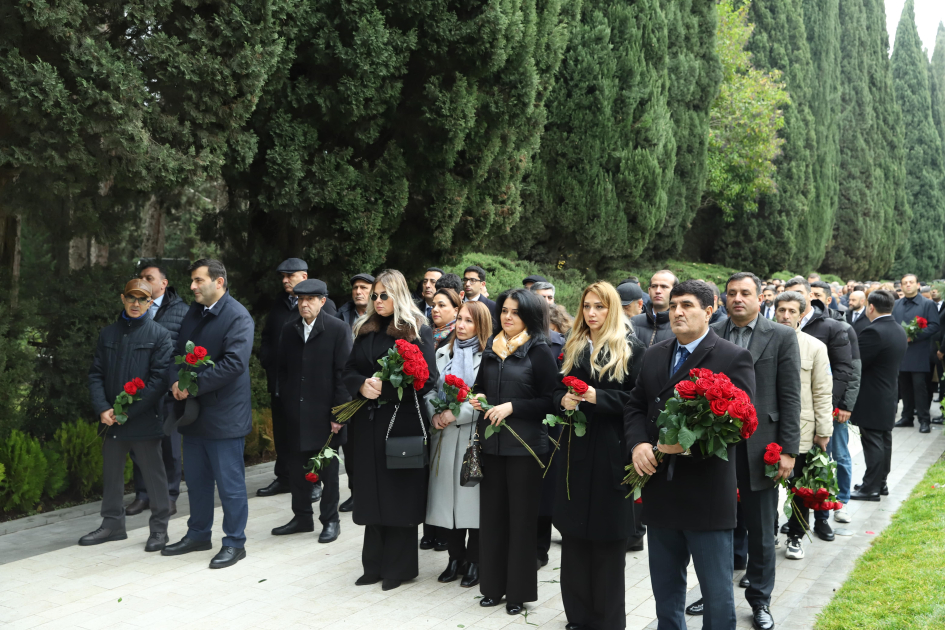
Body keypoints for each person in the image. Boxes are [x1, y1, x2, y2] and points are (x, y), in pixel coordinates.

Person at [625, 280, 755, 630]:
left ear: (710, 310)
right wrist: (638, 444)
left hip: (707, 492)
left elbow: (738, 424)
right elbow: (636, 405)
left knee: (716, 595)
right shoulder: (655, 353)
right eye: (673, 305)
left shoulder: (731, 356)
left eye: (687, 305)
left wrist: (683, 444)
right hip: (660, 491)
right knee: (666, 592)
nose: (678, 312)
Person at [690, 273, 799, 630]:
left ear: (759, 297)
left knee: (762, 530)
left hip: (761, 448)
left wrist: (788, 451)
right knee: (714, 525)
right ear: (723, 298)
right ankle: (715, 593)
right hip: (715, 448)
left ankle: (760, 600)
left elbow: (790, 397)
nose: (738, 298)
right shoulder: (711, 331)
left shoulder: (781, 336)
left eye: (745, 293)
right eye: (732, 293)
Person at [553, 282, 645, 630]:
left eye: (600, 307)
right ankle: (577, 618)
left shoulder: (631, 349)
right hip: (575, 455)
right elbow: (553, 389)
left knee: (607, 545)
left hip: (612, 454)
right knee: (574, 540)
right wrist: (560, 401)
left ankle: (606, 622)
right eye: (587, 307)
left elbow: (639, 403)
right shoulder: (574, 345)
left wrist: (597, 397)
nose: (591, 313)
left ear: (613, 309)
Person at [342, 269, 438, 591]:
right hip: (367, 424)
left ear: (398, 295)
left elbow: (429, 379)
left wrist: (389, 385)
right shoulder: (365, 330)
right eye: (374, 295)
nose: (378, 300)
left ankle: (399, 568)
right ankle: (374, 565)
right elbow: (350, 369)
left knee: (398, 494)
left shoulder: (417, 331)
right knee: (370, 492)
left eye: (384, 295)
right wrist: (361, 385)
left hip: (401, 422)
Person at [469, 289, 557, 616]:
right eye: (504, 310)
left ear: (529, 317)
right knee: (491, 520)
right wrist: (478, 398)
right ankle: (492, 588)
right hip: (492, 447)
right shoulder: (491, 349)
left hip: (526, 450)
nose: (507, 317)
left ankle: (518, 593)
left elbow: (551, 400)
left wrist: (512, 406)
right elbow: (481, 385)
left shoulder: (540, 351)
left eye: (515, 313)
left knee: (521, 522)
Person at [161, 259, 254, 569]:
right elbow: (176, 350)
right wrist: (175, 380)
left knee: (230, 485)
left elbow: (234, 364)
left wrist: (192, 386)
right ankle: (199, 534)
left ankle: (234, 542)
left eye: (198, 280)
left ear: (219, 283)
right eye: (192, 281)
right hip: (194, 415)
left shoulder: (238, 317)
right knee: (198, 482)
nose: (192, 286)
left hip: (225, 417)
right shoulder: (194, 311)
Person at [83, 279, 174, 552]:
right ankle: (112, 525)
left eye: (142, 299)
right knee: (111, 473)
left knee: (154, 477)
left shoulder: (159, 335)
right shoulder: (108, 333)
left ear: (150, 302)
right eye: (131, 298)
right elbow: (96, 374)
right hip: (111, 419)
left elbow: (158, 383)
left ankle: (159, 530)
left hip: (143, 420)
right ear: (123, 299)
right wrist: (102, 408)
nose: (136, 304)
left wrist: (127, 412)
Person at [273, 279, 353, 542]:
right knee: (296, 470)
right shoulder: (289, 329)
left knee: (328, 474)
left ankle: (330, 521)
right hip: (295, 413)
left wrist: (339, 415)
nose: (304, 304)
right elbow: (282, 369)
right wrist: (285, 398)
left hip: (326, 416)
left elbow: (344, 376)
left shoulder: (338, 329)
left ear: (322, 301)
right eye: (300, 299)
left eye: (310, 299)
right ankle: (302, 517)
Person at [783, 276, 858, 540]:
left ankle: (822, 520)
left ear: (809, 298)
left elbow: (845, 369)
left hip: (821, 412)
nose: (792, 303)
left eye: (799, 296)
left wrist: (831, 407)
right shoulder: (776, 327)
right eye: (788, 297)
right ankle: (794, 523)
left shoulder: (831, 327)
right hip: (787, 415)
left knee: (820, 468)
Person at [425, 301, 492, 588]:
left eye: (469, 321)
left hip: (471, 437)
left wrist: (458, 413)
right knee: (446, 501)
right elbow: (428, 388)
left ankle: (475, 559)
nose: (462, 325)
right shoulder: (443, 352)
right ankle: (455, 557)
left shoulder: (488, 357)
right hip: (443, 436)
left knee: (470, 500)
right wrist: (435, 413)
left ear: (481, 326)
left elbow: (487, 397)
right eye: (460, 319)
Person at [258, 258, 336, 501]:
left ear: (303, 277)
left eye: (289, 276)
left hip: (311, 391)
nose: (284, 280)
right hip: (282, 385)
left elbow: (328, 349)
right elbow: (268, 338)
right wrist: (270, 362)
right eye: (282, 276)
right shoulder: (279, 305)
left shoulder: (326, 306)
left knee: (309, 439)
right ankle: (284, 478)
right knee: (283, 434)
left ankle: (312, 482)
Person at [771, 291, 832, 561]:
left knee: (799, 488)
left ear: (801, 314)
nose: (785, 316)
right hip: (765, 428)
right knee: (763, 487)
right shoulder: (763, 341)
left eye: (791, 311)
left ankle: (795, 534)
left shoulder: (815, 347)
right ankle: (767, 533)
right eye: (781, 310)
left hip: (802, 429)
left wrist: (824, 431)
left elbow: (822, 391)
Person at [126, 264, 188, 518]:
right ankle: (143, 494)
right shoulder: (134, 309)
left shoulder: (182, 311)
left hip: (168, 391)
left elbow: (184, 351)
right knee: (139, 445)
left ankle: (169, 495)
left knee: (169, 447)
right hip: (139, 390)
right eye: (140, 278)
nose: (143, 281)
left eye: (148, 278)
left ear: (163, 283)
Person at [850, 290, 908, 501]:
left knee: (873, 441)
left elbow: (858, 364)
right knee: (884, 440)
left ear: (871, 307)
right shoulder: (898, 329)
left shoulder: (873, 331)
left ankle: (870, 488)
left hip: (872, 395)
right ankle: (879, 483)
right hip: (888, 392)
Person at [336, 273, 374, 514]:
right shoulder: (341, 315)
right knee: (349, 447)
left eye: (364, 287)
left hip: (371, 389)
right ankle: (355, 492)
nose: (358, 291)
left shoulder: (380, 317)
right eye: (355, 287)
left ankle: (370, 490)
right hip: (348, 387)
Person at [892, 274, 941, 434]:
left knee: (920, 388)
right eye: (905, 283)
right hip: (901, 352)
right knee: (904, 386)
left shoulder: (927, 304)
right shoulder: (897, 304)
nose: (908, 285)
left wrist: (914, 336)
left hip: (919, 352)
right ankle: (907, 417)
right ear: (901, 286)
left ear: (918, 285)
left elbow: (934, 325)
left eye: (911, 282)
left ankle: (924, 420)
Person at [630, 270, 678, 348]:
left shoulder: (680, 324)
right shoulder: (634, 322)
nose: (658, 291)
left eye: (664, 287)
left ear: (675, 291)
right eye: (654, 286)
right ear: (649, 291)